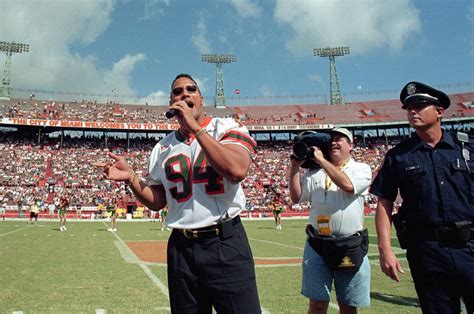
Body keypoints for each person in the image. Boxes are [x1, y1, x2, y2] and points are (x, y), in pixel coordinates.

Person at [100, 73, 261, 313]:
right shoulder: (162, 147)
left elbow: (236, 170)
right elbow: (158, 202)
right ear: (171, 102)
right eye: (177, 92)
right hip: (181, 247)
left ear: (201, 99)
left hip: (224, 241)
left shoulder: (227, 126)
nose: (184, 94)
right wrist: (131, 178)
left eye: (191, 89)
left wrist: (195, 128)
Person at [370, 81, 474, 313]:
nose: (412, 111)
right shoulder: (398, 156)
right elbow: (384, 202)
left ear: (439, 111)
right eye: (409, 108)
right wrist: (385, 249)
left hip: (470, 245)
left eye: (419, 105)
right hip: (427, 251)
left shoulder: (467, 148)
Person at [289, 127, 372, 314]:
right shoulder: (314, 172)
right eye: (331, 139)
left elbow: (348, 185)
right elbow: (296, 197)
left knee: (348, 305)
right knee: (316, 304)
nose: (334, 142)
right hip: (317, 244)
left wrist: (321, 159)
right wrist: (295, 167)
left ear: (351, 145)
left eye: (340, 139)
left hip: (349, 244)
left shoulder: (361, 168)